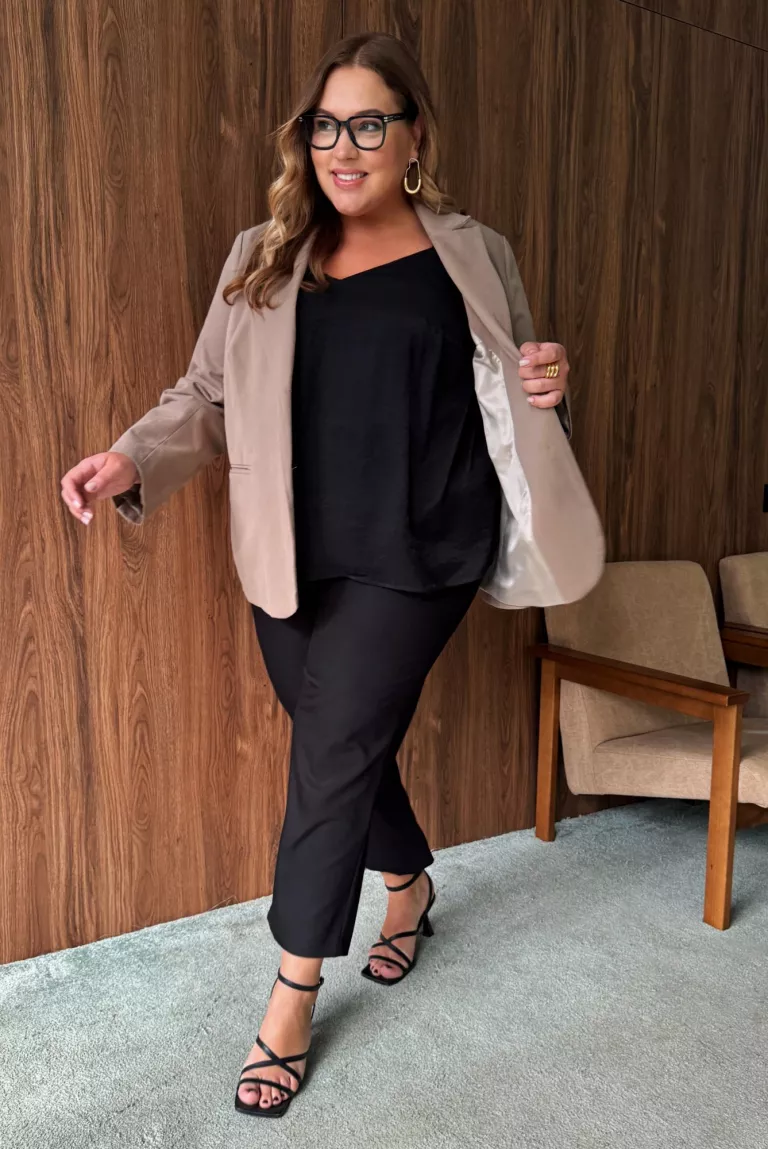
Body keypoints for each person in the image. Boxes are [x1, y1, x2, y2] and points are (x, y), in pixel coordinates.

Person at [60, 32, 599, 1119]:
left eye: (368, 124)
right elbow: (205, 394)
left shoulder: (473, 252)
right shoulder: (265, 253)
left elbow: (520, 390)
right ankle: (408, 883)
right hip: (291, 554)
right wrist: (132, 457)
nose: (342, 148)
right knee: (336, 744)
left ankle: (293, 990)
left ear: (413, 137)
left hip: (422, 551)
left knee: (332, 754)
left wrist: (550, 381)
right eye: (324, 127)